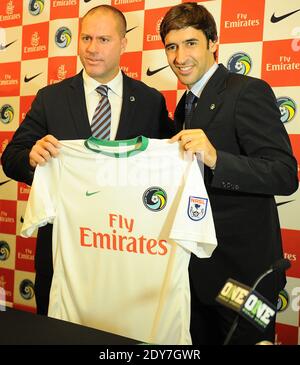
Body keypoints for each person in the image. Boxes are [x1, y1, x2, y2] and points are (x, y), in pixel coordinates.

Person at [1, 5, 173, 315]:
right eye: (86, 38)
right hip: (62, 257)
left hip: (128, 256)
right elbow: (10, 158)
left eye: (104, 40)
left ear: (123, 43)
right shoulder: (51, 98)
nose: (92, 49)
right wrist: (31, 157)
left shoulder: (150, 101)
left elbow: (169, 169)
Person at [160, 2, 298, 345]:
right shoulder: (184, 105)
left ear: (213, 42)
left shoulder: (246, 90)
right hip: (196, 276)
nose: (180, 57)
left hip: (245, 279)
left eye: (191, 43)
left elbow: (284, 174)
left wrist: (216, 157)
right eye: (171, 46)